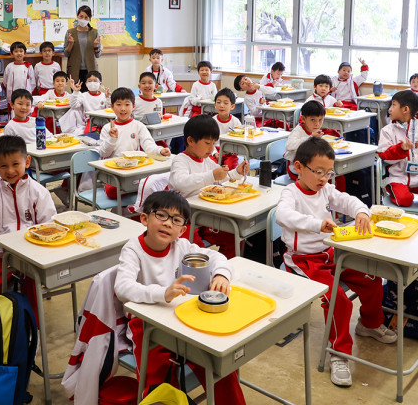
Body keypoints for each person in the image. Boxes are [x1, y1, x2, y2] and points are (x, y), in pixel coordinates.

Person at [276, 137, 395, 387]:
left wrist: (362, 212)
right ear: (299, 167)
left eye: (329, 173)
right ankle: (338, 353)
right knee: (337, 299)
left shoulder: (326, 189)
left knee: (371, 277)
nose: (324, 178)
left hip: (330, 253)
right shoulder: (291, 192)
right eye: (318, 172)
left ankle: (369, 324)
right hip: (303, 260)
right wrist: (317, 224)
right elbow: (282, 215)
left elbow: (347, 200)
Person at [114, 191, 246, 404]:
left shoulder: (182, 246)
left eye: (176, 220)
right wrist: (162, 293)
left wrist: (221, 274)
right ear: (144, 218)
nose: (168, 223)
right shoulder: (133, 249)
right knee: (159, 386)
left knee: (220, 366)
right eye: (161, 215)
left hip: (182, 320)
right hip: (147, 326)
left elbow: (215, 256)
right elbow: (122, 287)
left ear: (182, 230)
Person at [0, 135, 56, 313]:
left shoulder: (38, 192)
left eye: (15, 164)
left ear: (27, 161)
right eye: (3, 166)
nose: (10, 171)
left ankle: (31, 327)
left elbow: (49, 225)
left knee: (32, 287)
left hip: (33, 256)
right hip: (3, 256)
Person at [169, 114, 249, 258]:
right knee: (195, 250)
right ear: (190, 141)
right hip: (183, 218)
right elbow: (180, 182)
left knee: (233, 237)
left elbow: (222, 178)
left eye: (213, 143)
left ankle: (224, 266)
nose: (212, 149)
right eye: (207, 143)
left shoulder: (207, 160)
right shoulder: (180, 160)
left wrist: (237, 172)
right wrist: (211, 176)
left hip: (205, 214)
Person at [99, 88, 171, 199]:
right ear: (112, 106)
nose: (123, 108)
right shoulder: (107, 128)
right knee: (114, 191)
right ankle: (129, 203)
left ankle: (132, 205)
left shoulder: (138, 126)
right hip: (114, 172)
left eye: (127, 104)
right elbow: (104, 153)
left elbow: (149, 145)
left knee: (153, 185)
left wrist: (160, 150)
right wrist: (112, 139)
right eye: (119, 104)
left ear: (133, 106)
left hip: (134, 170)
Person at [377, 89, 418, 206]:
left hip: (416, 175)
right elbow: (384, 155)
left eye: (393, 105)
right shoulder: (387, 131)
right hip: (397, 177)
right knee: (404, 199)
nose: (389, 109)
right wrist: (401, 149)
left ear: (405, 109)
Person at [63, 5, 102, 90]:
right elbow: (66, 54)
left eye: (86, 17)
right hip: (74, 70)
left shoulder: (94, 32)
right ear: (77, 16)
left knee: (90, 94)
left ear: (90, 18)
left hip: (91, 70)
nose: (83, 19)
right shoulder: (70, 32)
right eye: (81, 16)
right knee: (76, 94)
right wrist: (71, 44)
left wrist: (96, 46)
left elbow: (98, 55)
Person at [61, 71, 110, 135]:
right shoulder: (83, 95)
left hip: (103, 121)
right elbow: (74, 105)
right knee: (90, 135)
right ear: (86, 84)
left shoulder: (104, 96)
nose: (92, 83)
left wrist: (108, 98)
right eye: (89, 81)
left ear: (100, 84)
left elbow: (109, 109)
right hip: (89, 121)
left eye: (95, 81)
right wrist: (75, 91)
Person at [2, 41, 35, 113]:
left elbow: (33, 83)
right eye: (16, 51)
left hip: (26, 97)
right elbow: (5, 83)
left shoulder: (28, 66)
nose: (19, 53)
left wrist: (28, 93)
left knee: (25, 114)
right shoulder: (9, 66)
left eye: (21, 51)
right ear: (11, 54)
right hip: (12, 97)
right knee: (12, 115)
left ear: (25, 53)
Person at [212, 88, 241, 170]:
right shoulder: (212, 121)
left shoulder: (235, 121)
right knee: (211, 166)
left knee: (230, 167)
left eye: (225, 103)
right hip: (215, 150)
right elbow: (208, 141)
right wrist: (214, 153)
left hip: (230, 152)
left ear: (232, 106)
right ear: (215, 105)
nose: (221, 105)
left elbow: (239, 140)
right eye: (218, 102)